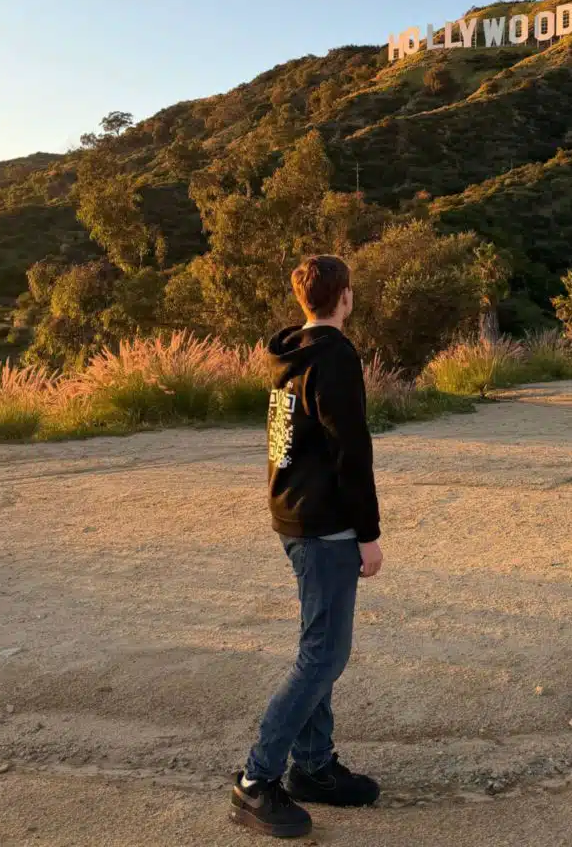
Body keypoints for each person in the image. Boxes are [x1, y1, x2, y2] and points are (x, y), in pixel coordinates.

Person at [229, 255, 384, 838]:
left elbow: (285, 439)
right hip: (326, 527)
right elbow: (352, 452)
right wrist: (368, 534)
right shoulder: (335, 357)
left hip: (294, 516)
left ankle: (313, 767)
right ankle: (256, 780)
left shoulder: (288, 354)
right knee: (324, 655)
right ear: (344, 297)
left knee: (317, 647)